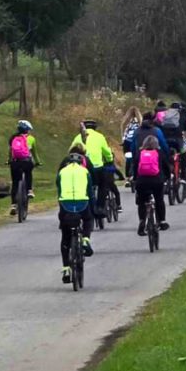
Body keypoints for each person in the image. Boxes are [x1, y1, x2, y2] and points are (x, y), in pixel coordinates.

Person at [57, 151, 95, 283]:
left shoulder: (62, 172)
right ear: (80, 162)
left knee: (65, 236)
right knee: (89, 219)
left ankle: (66, 268)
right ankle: (85, 239)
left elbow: (59, 190)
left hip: (65, 204)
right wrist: (93, 207)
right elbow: (90, 191)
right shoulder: (85, 172)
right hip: (82, 203)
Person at [70, 120, 114, 215]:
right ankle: (100, 207)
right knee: (103, 185)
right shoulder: (100, 137)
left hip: (82, 167)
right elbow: (106, 152)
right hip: (97, 167)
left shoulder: (77, 137)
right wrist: (109, 159)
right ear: (95, 128)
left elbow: (71, 151)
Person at [133, 134, 170, 235]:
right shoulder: (159, 152)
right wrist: (167, 177)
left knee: (141, 202)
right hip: (157, 181)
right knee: (159, 200)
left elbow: (135, 167)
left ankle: (142, 221)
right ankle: (162, 221)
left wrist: (136, 180)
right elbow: (166, 167)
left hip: (142, 182)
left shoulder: (140, 153)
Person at [7, 120, 41, 215]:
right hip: (26, 162)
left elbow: (10, 151)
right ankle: (29, 190)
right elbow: (34, 153)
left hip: (15, 163)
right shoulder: (31, 139)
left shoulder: (13, 138)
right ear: (27, 130)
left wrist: (9, 160)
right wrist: (38, 162)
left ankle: (13, 204)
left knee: (15, 183)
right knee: (28, 173)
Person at [121, 106, 143, 182]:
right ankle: (137, 175)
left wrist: (123, 141)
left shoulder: (125, 122)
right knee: (137, 159)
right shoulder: (140, 122)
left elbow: (124, 133)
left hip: (127, 142)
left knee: (128, 158)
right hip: (136, 142)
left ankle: (127, 178)